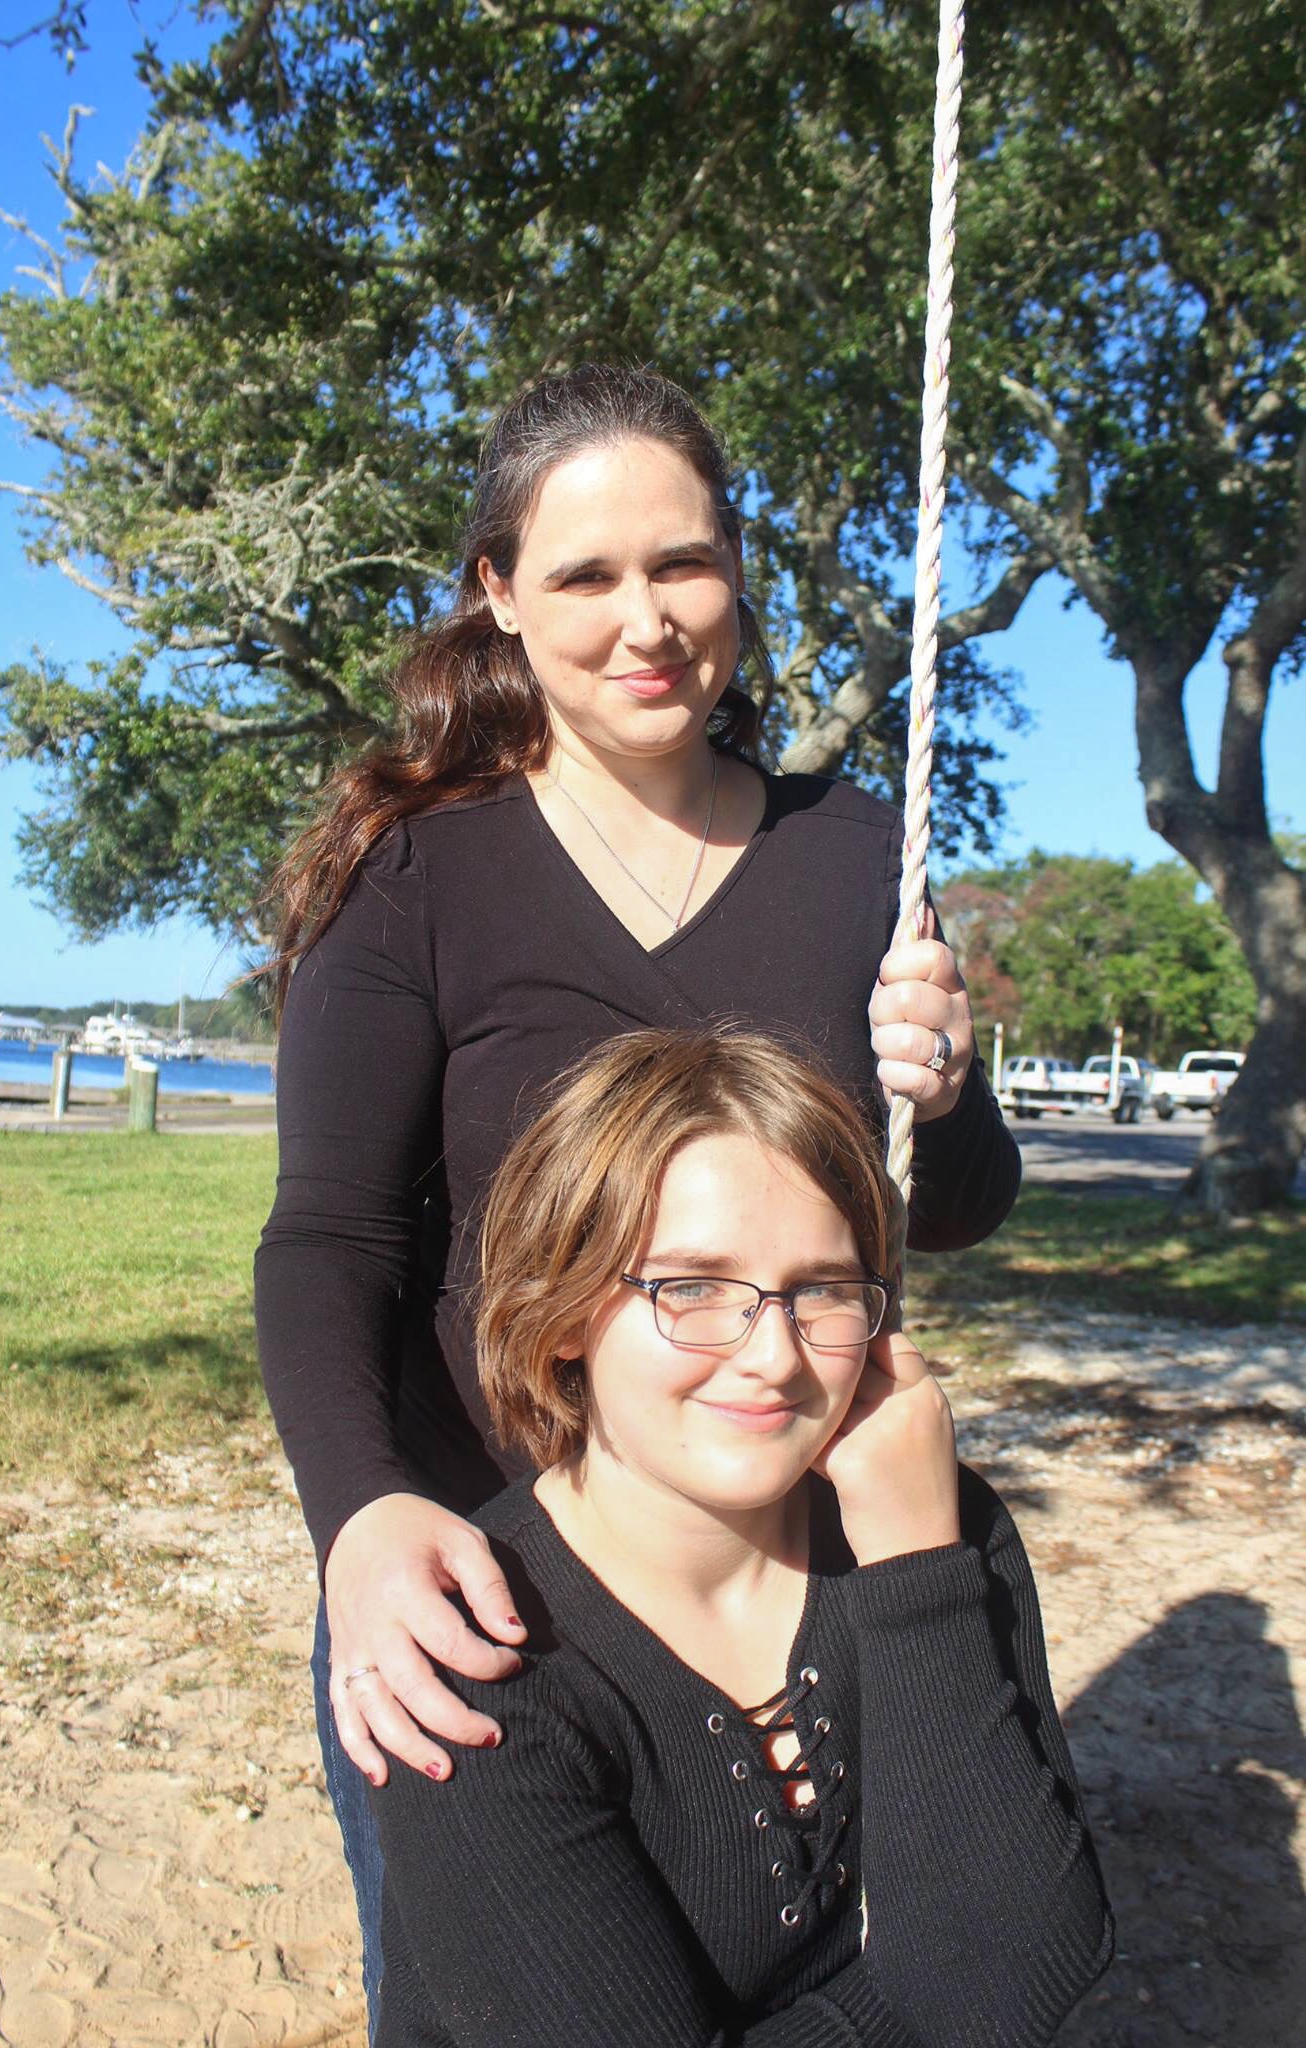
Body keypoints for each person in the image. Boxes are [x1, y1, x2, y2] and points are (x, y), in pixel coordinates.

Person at [254, 363, 1022, 2032]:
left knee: (809, 1967)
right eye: (587, 575)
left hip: (778, 1564)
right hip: (492, 1573)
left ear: (738, 569)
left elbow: (940, 1204)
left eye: (684, 562)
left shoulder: (857, 856)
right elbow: (333, 1236)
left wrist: (946, 1092)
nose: (648, 619)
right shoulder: (420, 874)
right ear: (500, 598)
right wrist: (365, 1519)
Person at [367, 1027, 1113, 2047]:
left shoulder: (934, 1527)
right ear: (567, 1306)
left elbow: (1024, 1979)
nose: (774, 1355)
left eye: (822, 1288)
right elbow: (987, 1990)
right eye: (693, 1287)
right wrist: (913, 1994)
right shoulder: (470, 1653)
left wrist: (919, 1568)